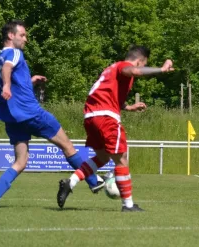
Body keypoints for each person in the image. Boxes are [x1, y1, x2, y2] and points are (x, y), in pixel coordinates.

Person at [0, 20, 102, 208]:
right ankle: (94, 182)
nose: (26, 39)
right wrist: (7, 85)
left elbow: (9, 77)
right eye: (22, 35)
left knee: (21, 162)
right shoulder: (14, 53)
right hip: (31, 113)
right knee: (68, 146)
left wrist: (29, 81)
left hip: (12, 117)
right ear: (10, 36)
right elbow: (8, 68)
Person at [57, 45, 173, 212]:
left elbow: (109, 94)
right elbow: (133, 71)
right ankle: (128, 205)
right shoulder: (122, 66)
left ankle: (70, 182)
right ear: (139, 62)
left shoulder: (110, 69)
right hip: (106, 117)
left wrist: (129, 107)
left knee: (103, 157)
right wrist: (161, 70)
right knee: (122, 158)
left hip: (91, 116)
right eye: (142, 64)